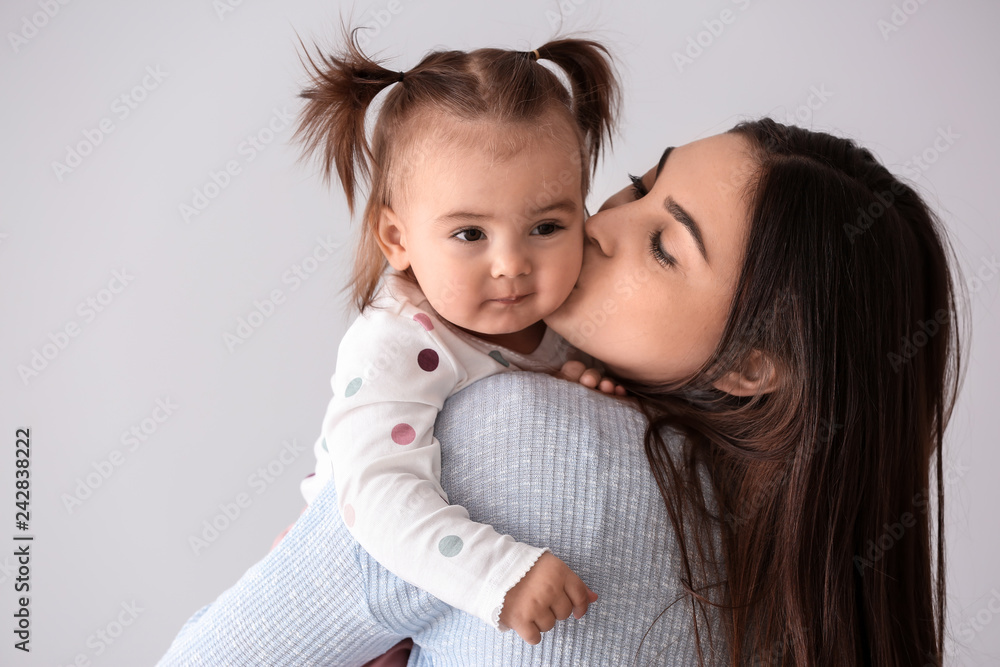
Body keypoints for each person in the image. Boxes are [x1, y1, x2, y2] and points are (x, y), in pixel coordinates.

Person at [159, 117, 959, 666]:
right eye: (638, 185)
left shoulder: (513, 439)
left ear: (750, 364)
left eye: (663, 245)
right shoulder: (815, 583)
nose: (597, 224)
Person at [288, 34, 626, 645]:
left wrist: (589, 394)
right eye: (471, 234)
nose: (512, 264)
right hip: (356, 588)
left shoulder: (575, 317)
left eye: (547, 226)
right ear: (398, 239)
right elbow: (378, 492)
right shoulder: (400, 340)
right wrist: (499, 574)